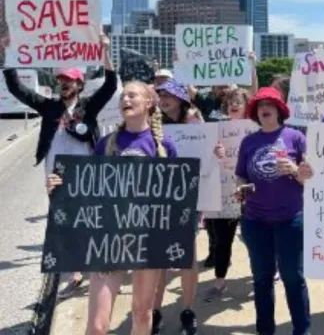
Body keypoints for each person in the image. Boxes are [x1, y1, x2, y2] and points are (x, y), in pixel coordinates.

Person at [46, 80, 177, 335]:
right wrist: (60, 186)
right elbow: (86, 189)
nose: (125, 100)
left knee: (141, 314)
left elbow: (175, 195)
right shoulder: (105, 144)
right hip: (108, 238)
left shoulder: (165, 147)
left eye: (132, 96)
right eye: (123, 97)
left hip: (147, 239)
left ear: (149, 102)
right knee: (97, 326)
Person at [2, 33, 117, 299]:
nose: (64, 83)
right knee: (66, 221)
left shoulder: (88, 107)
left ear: (79, 83)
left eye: (69, 80)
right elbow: (17, 88)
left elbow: (110, 85)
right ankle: (76, 272)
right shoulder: (48, 107)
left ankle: (98, 261)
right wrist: (8, 55)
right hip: (56, 173)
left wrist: (105, 52)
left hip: (87, 171)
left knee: (90, 218)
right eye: (61, 80)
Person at [235, 87, 314, 335]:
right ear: (255, 112)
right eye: (259, 105)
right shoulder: (248, 141)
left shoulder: (296, 138)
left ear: (279, 109)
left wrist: (293, 169)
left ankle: (302, 330)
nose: (264, 108)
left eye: (269, 104)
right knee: (261, 279)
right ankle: (265, 331)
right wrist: (241, 189)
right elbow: (240, 175)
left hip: (290, 220)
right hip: (255, 221)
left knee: (293, 279)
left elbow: (310, 181)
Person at [188, 52, 258, 267]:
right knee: (214, 222)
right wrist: (182, 64)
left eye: (226, 84)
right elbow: (190, 91)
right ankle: (215, 255)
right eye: (218, 83)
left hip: (243, 174)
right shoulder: (209, 103)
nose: (222, 87)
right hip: (220, 172)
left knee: (249, 225)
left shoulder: (246, 114)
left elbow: (253, 93)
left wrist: (252, 65)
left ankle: (261, 260)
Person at [152, 78, 202, 335]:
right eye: (161, 94)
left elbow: (202, 157)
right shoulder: (151, 124)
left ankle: (188, 310)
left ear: (181, 98)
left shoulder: (195, 122)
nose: (164, 98)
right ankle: (155, 312)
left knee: (187, 257)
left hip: (187, 199)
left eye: (170, 94)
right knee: (158, 259)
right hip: (158, 200)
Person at [206, 88, 252, 302]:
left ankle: (264, 274)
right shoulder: (216, 129)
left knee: (254, 240)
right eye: (230, 100)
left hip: (251, 193)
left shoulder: (255, 129)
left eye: (238, 100)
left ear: (246, 104)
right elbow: (205, 154)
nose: (234, 104)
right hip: (224, 192)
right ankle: (219, 282)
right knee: (223, 241)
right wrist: (215, 152)